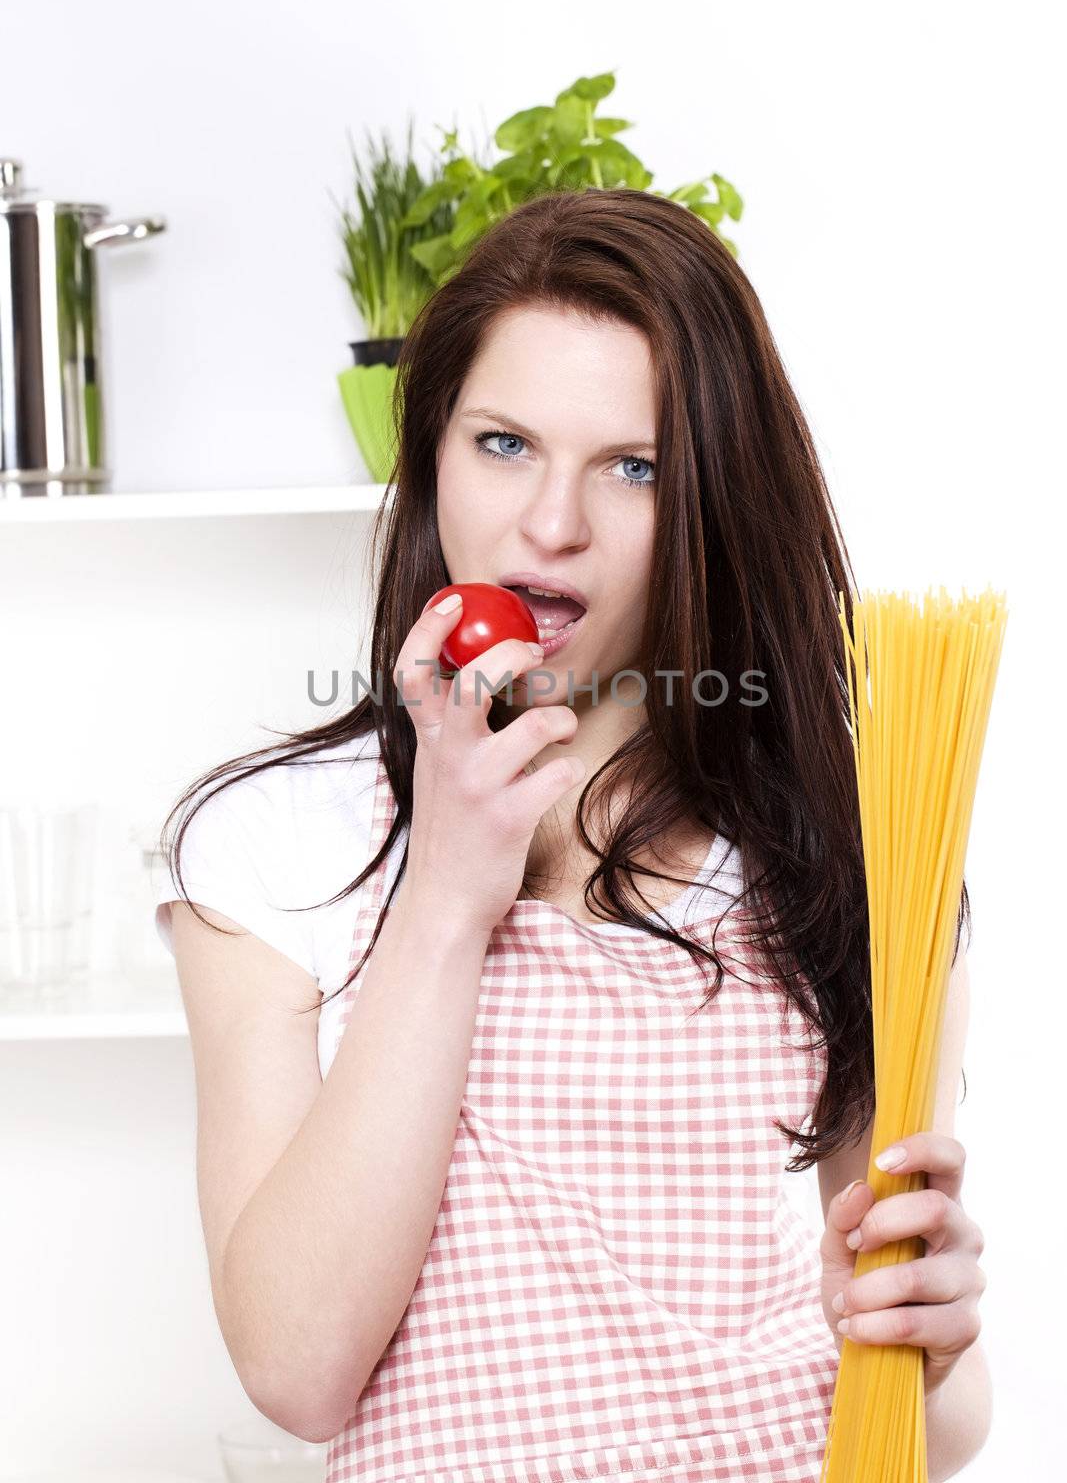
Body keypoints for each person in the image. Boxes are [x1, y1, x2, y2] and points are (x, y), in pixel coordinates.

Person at [157, 186, 990, 1482]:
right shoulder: (275, 848)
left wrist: (923, 1347)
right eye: (504, 444)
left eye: (636, 466)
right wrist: (446, 895)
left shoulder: (853, 856)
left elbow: (936, 1430)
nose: (553, 524)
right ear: (430, 451)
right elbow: (296, 1370)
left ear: (715, 499)